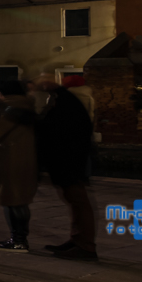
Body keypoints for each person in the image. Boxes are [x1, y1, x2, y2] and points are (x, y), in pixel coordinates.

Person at [33, 75, 98, 261]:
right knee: (74, 201)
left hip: (70, 160)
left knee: (79, 201)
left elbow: (58, 128)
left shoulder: (70, 102)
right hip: (68, 160)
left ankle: (85, 246)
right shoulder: (69, 103)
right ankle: (77, 240)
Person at [0, 79, 37, 253]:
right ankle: (20, 238)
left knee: (12, 200)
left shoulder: (4, 110)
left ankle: (18, 240)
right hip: (28, 159)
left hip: (8, 159)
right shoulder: (29, 106)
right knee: (21, 200)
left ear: (1, 93)